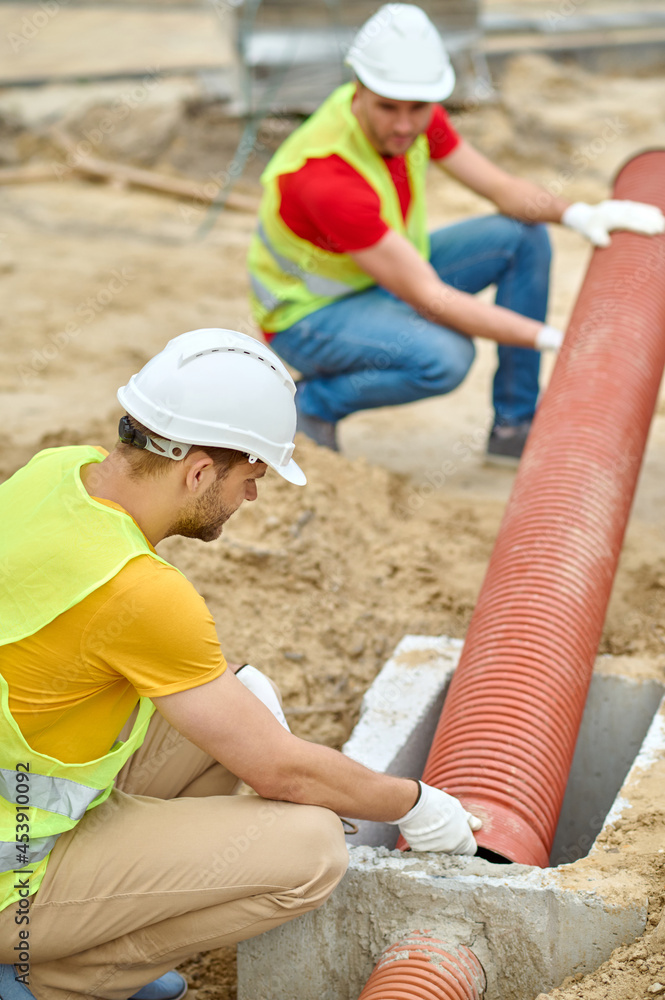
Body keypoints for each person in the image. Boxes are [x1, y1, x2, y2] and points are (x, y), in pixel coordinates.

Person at [0, 328, 483, 1000]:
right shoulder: (139, 592)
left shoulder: (56, 473)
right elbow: (279, 769)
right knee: (311, 850)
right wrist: (414, 804)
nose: (249, 499)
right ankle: (55, 979)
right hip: (10, 881)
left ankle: (87, 924)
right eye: (249, 478)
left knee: (238, 708)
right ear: (198, 471)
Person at [247, 3, 665, 463]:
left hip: (381, 275)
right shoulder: (327, 178)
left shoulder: (411, 115)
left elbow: (502, 189)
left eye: (418, 109)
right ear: (358, 89)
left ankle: (514, 426)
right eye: (388, 107)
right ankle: (310, 406)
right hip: (308, 317)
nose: (405, 125)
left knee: (522, 236)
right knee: (444, 357)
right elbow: (431, 298)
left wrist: (579, 214)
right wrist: (554, 339)